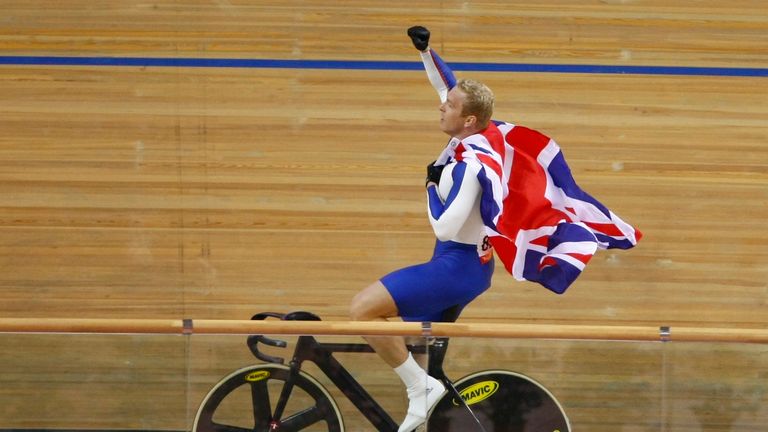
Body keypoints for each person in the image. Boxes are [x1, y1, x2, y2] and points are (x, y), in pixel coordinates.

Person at [349, 79, 497, 431]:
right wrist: (425, 51)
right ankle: (424, 392)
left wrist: (430, 186)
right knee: (417, 348)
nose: (441, 107)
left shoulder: (470, 166)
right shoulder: (468, 145)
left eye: (450, 106)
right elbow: (445, 85)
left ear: (469, 120)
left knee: (361, 311)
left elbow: (445, 228)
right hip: (466, 267)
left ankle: (422, 387)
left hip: (456, 267)